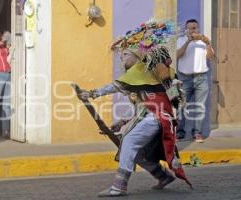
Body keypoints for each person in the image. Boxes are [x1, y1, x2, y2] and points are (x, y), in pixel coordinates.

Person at [78, 20, 192, 197]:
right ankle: (163, 176)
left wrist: (92, 93)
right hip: (155, 116)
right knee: (136, 152)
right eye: (121, 55)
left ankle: (119, 186)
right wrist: (123, 121)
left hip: (157, 116)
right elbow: (141, 106)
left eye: (125, 54)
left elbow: (115, 86)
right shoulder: (141, 76)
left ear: (135, 55)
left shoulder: (140, 69)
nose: (122, 57)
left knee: (129, 142)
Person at [176, 19, 214, 143]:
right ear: (186, 29)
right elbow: (177, 55)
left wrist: (208, 44)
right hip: (184, 78)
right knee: (182, 106)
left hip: (201, 78)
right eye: (190, 28)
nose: (193, 30)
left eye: (195, 28)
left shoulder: (203, 41)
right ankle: (180, 133)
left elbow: (210, 57)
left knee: (200, 107)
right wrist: (188, 41)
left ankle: (197, 133)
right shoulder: (181, 40)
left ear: (198, 29)